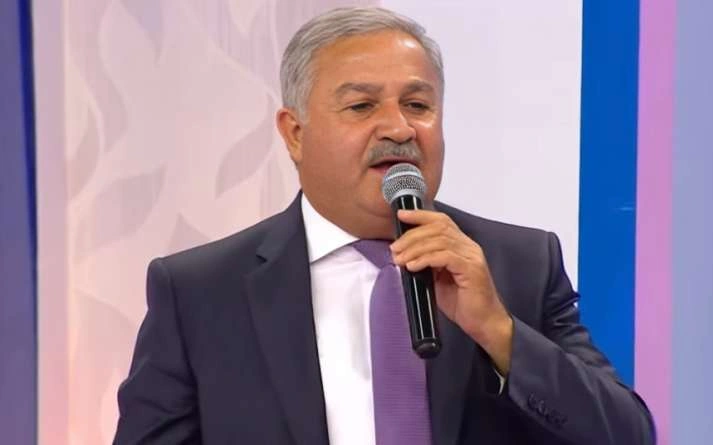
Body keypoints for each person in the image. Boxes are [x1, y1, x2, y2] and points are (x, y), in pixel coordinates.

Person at [114, 7, 655, 445]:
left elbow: (629, 435)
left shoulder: (518, 264)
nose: (399, 128)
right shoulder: (201, 291)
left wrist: (498, 331)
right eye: (361, 106)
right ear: (295, 133)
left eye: (417, 104)